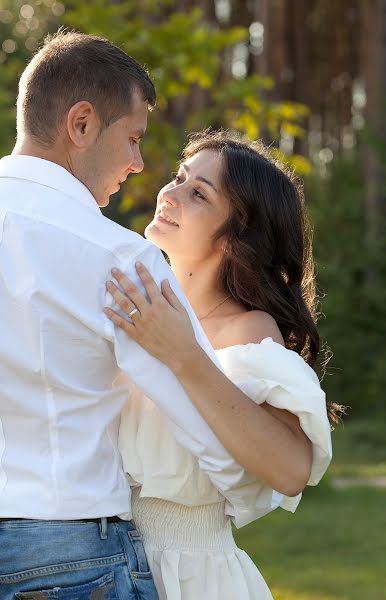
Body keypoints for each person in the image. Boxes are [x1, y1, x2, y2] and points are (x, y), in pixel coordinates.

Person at [0, 33, 265, 600]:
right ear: (82, 125)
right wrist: (251, 490)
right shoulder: (121, 259)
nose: (140, 163)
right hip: (64, 555)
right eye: (134, 138)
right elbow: (200, 421)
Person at [104, 130, 335, 599]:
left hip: (192, 574)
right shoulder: (140, 302)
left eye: (198, 193)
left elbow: (291, 469)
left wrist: (184, 354)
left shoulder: (248, 331)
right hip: (105, 564)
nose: (168, 193)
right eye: (179, 178)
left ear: (236, 236)